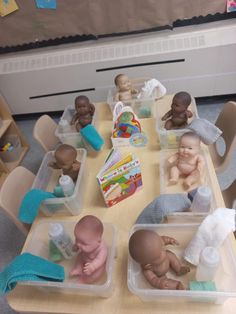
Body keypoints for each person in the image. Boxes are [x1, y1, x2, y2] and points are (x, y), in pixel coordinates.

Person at [70, 215, 108, 284]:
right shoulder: (82, 242)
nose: (78, 244)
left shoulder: (102, 249)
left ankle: (85, 280)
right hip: (84, 256)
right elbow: (79, 244)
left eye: (83, 243)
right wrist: (76, 246)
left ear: (98, 241)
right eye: (77, 239)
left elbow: (100, 260)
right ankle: (78, 268)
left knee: (97, 274)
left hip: (96, 265)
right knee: (79, 257)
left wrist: (93, 266)